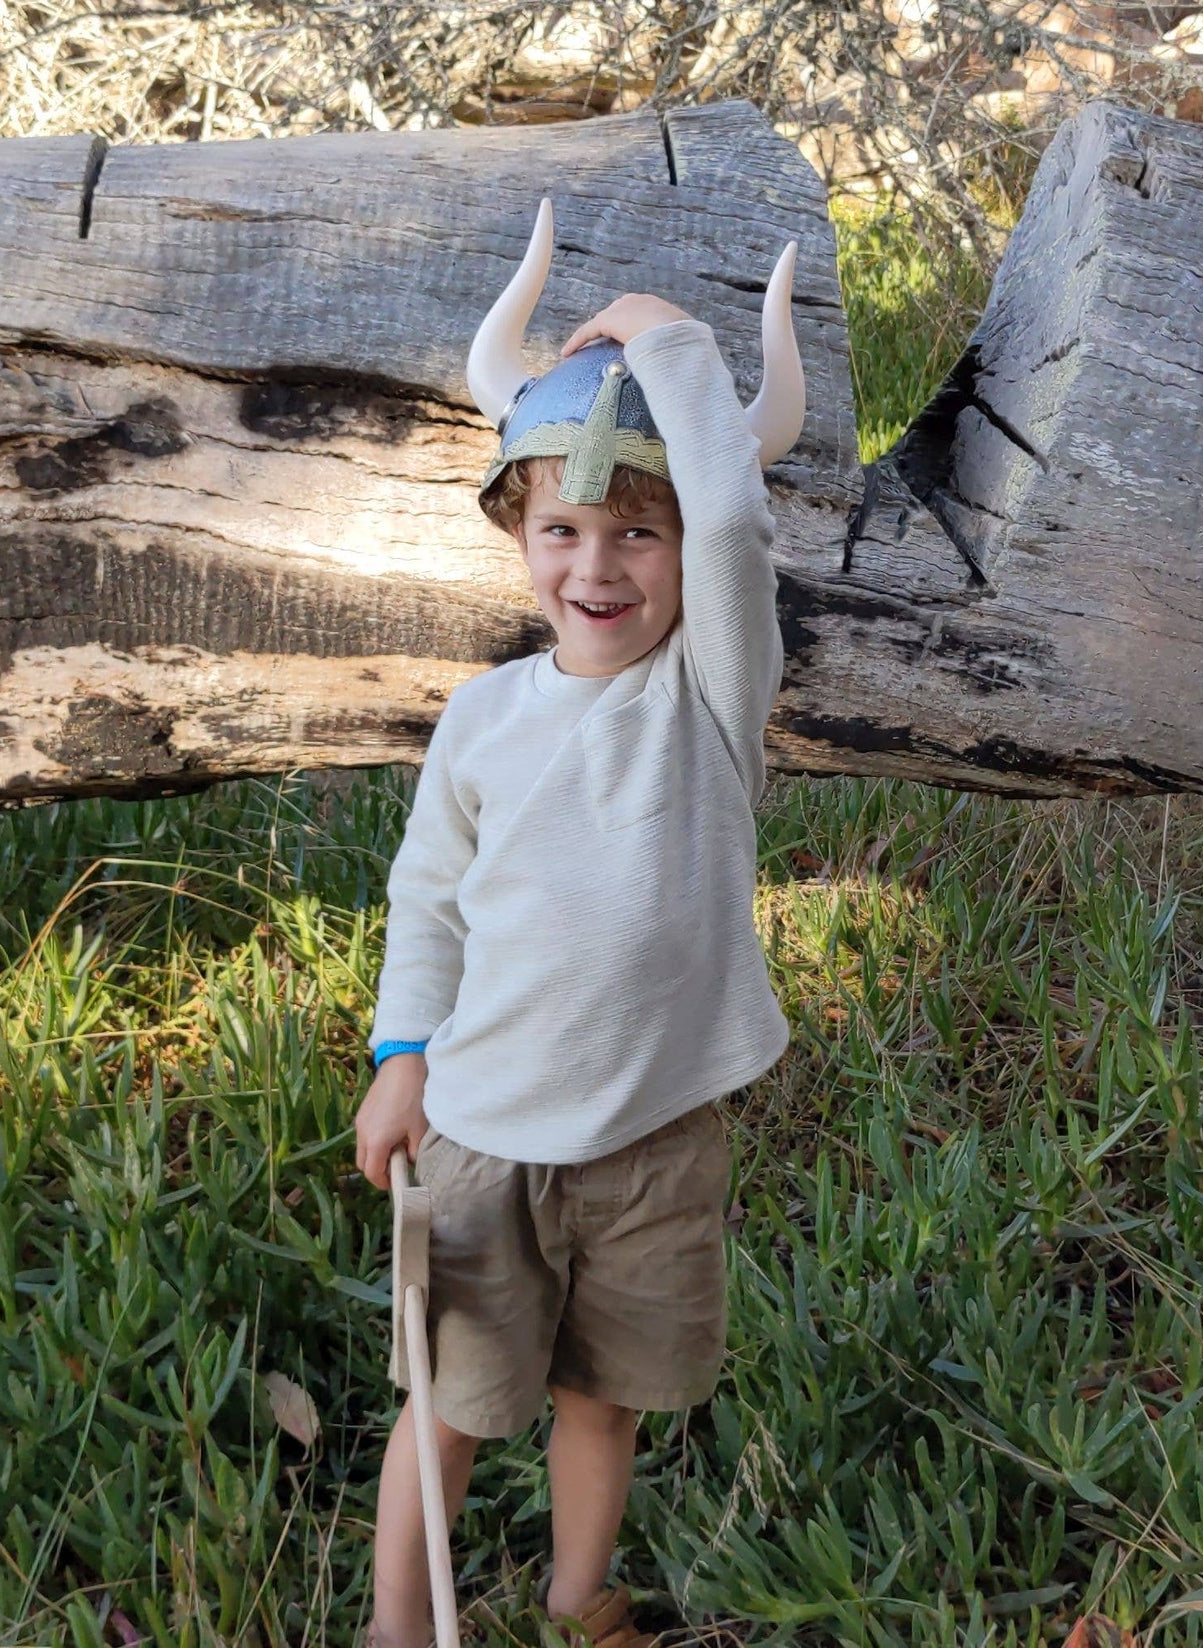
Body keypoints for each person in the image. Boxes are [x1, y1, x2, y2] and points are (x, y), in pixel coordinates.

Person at [354, 200, 804, 1648]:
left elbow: (733, 512)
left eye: (636, 532)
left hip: (655, 1132)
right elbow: (428, 893)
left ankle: (577, 1600)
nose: (596, 570)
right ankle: (399, 1629)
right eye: (561, 528)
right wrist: (403, 1050)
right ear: (515, 531)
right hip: (482, 1131)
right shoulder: (483, 717)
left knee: (600, 1396)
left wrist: (658, 328)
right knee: (448, 1404)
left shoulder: (709, 697)